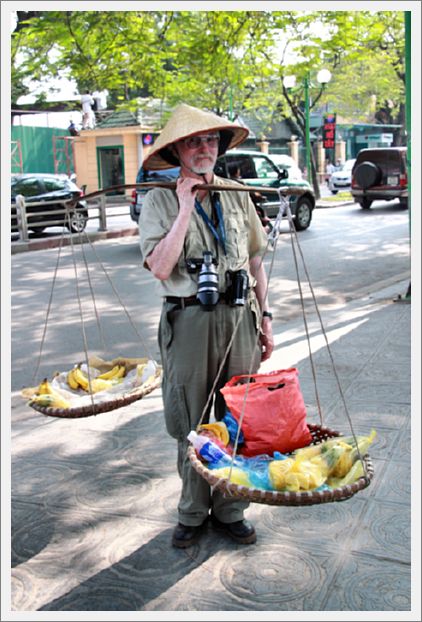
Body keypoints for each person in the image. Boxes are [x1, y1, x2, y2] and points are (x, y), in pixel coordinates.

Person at [139, 103, 274, 548]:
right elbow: (160, 267)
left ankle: (231, 507)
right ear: (177, 149)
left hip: (239, 319)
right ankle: (193, 512)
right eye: (194, 141)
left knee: (237, 419)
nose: (204, 148)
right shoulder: (158, 198)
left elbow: (255, 261)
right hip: (190, 319)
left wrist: (266, 317)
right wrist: (183, 207)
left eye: (211, 140)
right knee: (192, 422)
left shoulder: (237, 192)